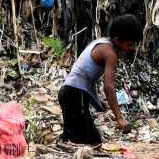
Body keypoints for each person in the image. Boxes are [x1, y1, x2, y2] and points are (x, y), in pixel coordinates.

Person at [58, 15, 143, 146]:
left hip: (70, 93)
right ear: (117, 40)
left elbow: (84, 78)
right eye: (130, 44)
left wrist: (97, 100)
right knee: (90, 142)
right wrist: (119, 118)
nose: (132, 48)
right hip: (74, 95)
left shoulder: (101, 43)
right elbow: (108, 86)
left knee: (75, 140)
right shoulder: (110, 53)